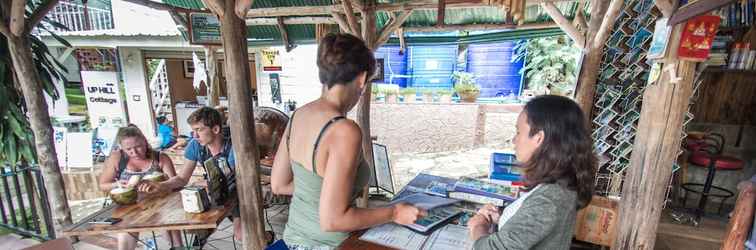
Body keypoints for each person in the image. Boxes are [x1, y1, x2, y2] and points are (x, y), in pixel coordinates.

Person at [271, 33, 425, 249]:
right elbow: (333, 220)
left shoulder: (299, 115)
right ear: (362, 79)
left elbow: (279, 184)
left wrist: (326, 192)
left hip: (291, 241)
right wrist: (395, 212)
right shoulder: (344, 131)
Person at [467, 95, 597, 250]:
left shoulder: (549, 199)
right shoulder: (557, 184)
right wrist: (502, 219)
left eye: (518, 132)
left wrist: (478, 226)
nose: (514, 140)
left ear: (538, 138)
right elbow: (534, 227)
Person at [175, 107, 273, 244]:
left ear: (215, 129)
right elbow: (182, 178)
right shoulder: (196, 145)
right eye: (193, 130)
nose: (194, 135)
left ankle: (267, 237)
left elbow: (230, 179)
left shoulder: (235, 146)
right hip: (217, 192)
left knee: (241, 235)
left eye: (199, 130)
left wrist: (203, 184)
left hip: (239, 193)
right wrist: (161, 185)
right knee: (200, 228)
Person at [98, 125, 184, 250]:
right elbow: (103, 185)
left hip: (160, 204)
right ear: (122, 148)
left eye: (138, 146)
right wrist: (118, 184)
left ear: (145, 141)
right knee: (125, 237)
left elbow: (176, 184)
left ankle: (177, 246)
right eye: (128, 149)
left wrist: (161, 185)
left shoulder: (160, 158)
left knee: (171, 227)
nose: (134, 152)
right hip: (129, 207)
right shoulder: (117, 158)